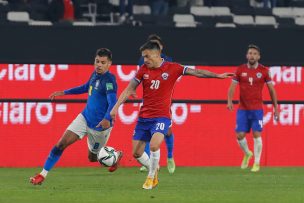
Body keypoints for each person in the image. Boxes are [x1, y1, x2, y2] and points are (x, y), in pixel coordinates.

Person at [110, 41, 233, 189]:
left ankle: (151, 177)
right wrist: (115, 108)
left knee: (155, 145)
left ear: (157, 54)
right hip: (144, 117)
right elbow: (129, 89)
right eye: (143, 57)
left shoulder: (173, 68)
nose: (144, 60)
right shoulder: (143, 70)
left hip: (162, 116)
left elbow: (197, 72)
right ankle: (153, 167)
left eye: (147, 56)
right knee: (136, 153)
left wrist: (218, 76)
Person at [30, 48, 123, 185]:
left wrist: (107, 118)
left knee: (92, 158)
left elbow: (112, 101)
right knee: (61, 144)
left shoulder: (109, 80)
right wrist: (64, 92)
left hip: (99, 126)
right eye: (97, 61)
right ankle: (42, 175)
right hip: (84, 118)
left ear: (109, 64)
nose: (99, 65)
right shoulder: (94, 75)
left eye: (103, 62)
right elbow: (85, 87)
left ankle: (115, 156)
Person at [227, 44, 279, 172]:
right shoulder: (239, 70)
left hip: (257, 110)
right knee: (239, 135)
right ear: (246, 55)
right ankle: (247, 153)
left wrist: (276, 108)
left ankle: (256, 163)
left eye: (255, 54)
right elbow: (232, 87)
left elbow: (272, 90)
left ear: (259, 56)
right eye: (250, 53)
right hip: (243, 109)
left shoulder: (264, 71)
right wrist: (229, 101)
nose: (252, 55)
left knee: (257, 134)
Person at [137, 34, 175, 174]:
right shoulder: (143, 60)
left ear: (161, 48)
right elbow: (140, 76)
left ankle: (170, 157)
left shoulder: (168, 60)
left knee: (168, 132)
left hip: (164, 100)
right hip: (148, 99)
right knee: (147, 130)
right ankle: (147, 162)